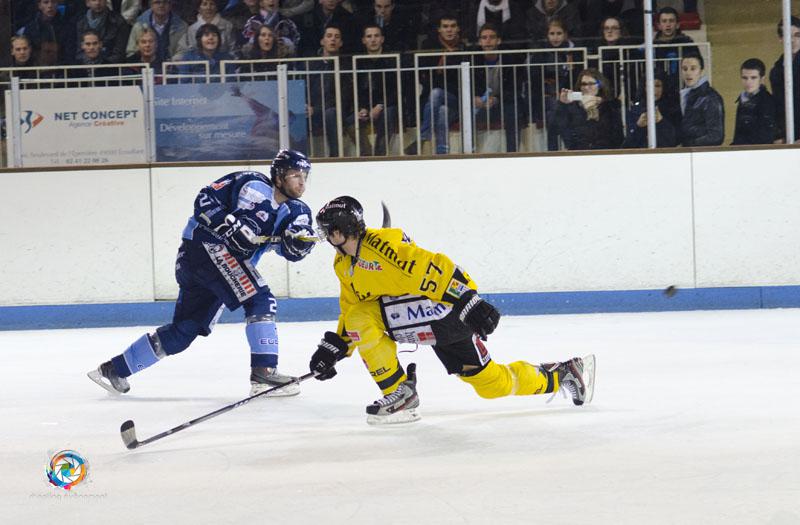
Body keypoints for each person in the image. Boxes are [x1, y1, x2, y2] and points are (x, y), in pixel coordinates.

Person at [308, 196, 596, 425]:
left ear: (340, 230)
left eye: (327, 230)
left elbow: (437, 267)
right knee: (491, 385)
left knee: (361, 317)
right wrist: (336, 347)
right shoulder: (343, 264)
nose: (325, 237)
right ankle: (563, 374)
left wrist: (469, 301)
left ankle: (400, 394)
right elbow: (351, 307)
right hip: (425, 318)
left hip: (442, 312)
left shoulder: (383, 247)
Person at [88, 150, 316, 397]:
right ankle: (264, 373)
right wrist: (229, 226)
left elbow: (292, 250)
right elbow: (204, 199)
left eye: (304, 176)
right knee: (260, 299)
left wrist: (298, 244)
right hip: (204, 249)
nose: (301, 182)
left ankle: (115, 369)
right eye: (295, 175)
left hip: (215, 268)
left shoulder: (297, 211)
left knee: (184, 331)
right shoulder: (250, 182)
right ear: (279, 176)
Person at [409, 12, 465, 155]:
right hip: (433, 102)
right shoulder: (429, 46)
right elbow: (424, 78)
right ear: (439, 29)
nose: (449, 30)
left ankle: (423, 136)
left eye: (452, 26)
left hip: (456, 100)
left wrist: (439, 76)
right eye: (445, 26)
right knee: (442, 110)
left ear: (458, 28)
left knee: (436, 92)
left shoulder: (463, 48)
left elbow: (461, 82)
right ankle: (442, 152)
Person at [471, 23, 525, 152]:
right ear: (479, 42)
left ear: (498, 40)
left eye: (492, 37)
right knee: (467, 112)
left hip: (503, 104)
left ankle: (512, 154)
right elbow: (467, 86)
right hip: (481, 105)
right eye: (484, 37)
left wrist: (496, 99)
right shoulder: (472, 59)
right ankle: (469, 154)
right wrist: (474, 97)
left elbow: (514, 90)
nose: (488, 41)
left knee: (513, 111)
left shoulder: (510, 59)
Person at [529, 17, 579, 151]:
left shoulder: (574, 52)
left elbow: (577, 78)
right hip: (548, 97)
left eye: (559, 33)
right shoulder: (540, 53)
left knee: (556, 114)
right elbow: (536, 77)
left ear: (565, 35)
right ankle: (567, 149)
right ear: (547, 35)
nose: (555, 37)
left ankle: (556, 151)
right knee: (555, 113)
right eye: (552, 34)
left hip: (573, 96)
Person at [353, 24, 400, 155]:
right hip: (366, 107)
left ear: (382, 39)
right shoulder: (357, 62)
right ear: (363, 40)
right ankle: (367, 154)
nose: (373, 40)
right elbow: (355, 90)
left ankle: (380, 154)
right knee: (350, 119)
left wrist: (380, 105)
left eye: (376, 36)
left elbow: (396, 90)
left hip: (387, 105)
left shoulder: (391, 60)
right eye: (369, 36)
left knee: (388, 113)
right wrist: (362, 108)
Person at [622, 69, 679, 148]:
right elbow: (628, 145)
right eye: (649, 85)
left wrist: (661, 122)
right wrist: (639, 126)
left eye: (657, 86)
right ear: (644, 87)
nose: (653, 90)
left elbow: (676, 141)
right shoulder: (635, 110)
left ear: (664, 87)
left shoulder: (673, 109)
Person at [678, 53, 724, 146]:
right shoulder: (686, 95)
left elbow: (716, 135)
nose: (688, 73)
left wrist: (689, 146)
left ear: (701, 71)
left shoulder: (710, 97)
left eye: (693, 68)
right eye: (685, 69)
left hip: (701, 152)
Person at [732, 58, 778, 145]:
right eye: (745, 78)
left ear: (762, 79)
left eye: (753, 78)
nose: (748, 82)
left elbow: (765, 137)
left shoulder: (767, 102)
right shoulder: (743, 99)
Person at [769, 16, 800, 143]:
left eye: (797, 35)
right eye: (788, 36)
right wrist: (779, 136)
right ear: (780, 39)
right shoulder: (776, 71)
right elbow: (779, 107)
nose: (792, 40)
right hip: (788, 138)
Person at [17, 0, 77, 65]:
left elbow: (70, 54)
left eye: (53, 2)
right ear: (39, 5)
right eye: (46, 2)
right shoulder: (30, 28)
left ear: (57, 4)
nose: (50, 6)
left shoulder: (68, 27)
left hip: (62, 68)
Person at [293, 0, 357, 56]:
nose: (331, 1)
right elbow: (305, 44)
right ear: (320, 1)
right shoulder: (308, 18)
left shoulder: (346, 18)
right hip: (312, 58)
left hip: (339, 57)